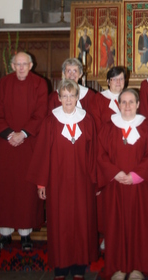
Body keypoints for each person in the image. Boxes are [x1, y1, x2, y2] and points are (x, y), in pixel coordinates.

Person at [27, 78, 98, 279]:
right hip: (57, 182)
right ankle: (61, 266)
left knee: (81, 223)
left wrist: (95, 180)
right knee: (60, 223)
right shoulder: (51, 121)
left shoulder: (87, 120)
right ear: (58, 98)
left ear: (78, 97)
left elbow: (93, 152)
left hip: (83, 182)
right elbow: (42, 153)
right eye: (64, 96)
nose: (68, 99)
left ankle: (78, 267)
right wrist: (42, 183)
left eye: (72, 95)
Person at [97, 88, 148, 280]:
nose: (128, 106)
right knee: (115, 226)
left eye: (131, 102)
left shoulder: (147, 126)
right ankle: (118, 267)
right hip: (115, 185)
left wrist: (136, 175)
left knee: (140, 226)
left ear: (138, 104)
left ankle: (137, 268)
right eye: (123, 102)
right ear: (118, 104)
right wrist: (115, 173)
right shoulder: (108, 127)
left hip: (138, 186)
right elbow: (100, 154)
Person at [0, 52, 48, 252]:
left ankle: (25, 234)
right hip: (6, 145)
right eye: (18, 64)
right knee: (5, 189)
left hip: (28, 144)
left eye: (25, 64)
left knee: (26, 191)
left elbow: (41, 112)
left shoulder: (39, 84)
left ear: (31, 65)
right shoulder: (4, 83)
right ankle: (4, 234)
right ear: (13, 66)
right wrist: (9, 134)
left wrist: (22, 133)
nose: (21, 67)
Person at [90, 66, 128, 250]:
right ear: (108, 82)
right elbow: (96, 127)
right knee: (107, 198)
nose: (118, 82)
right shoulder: (99, 99)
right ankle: (108, 235)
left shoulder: (129, 98)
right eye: (114, 79)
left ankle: (126, 233)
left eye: (121, 79)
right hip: (106, 153)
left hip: (127, 152)